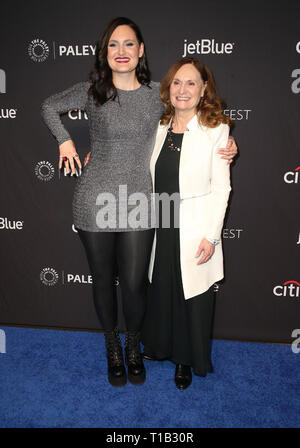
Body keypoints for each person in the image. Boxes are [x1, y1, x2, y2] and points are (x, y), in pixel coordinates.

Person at [41, 17, 237, 388]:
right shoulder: (91, 91)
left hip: (139, 203)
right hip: (94, 199)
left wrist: (226, 146)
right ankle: (112, 347)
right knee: (102, 281)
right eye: (113, 45)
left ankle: (134, 346)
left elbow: (189, 122)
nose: (121, 52)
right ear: (105, 52)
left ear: (141, 50)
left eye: (128, 44)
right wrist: (64, 140)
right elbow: (48, 106)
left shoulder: (155, 97)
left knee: (133, 284)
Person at [141, 57, 232, 390]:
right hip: (161, 222)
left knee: (189, 293)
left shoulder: (216, 130)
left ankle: (184, 359)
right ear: (169, 88)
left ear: (204, 88)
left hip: (194, 226)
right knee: (161, 288)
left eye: (191, 82)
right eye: (177, 82)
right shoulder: (159, 126)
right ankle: (160, 346)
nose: (183, 89)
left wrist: (212, 237)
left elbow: (222, 188)